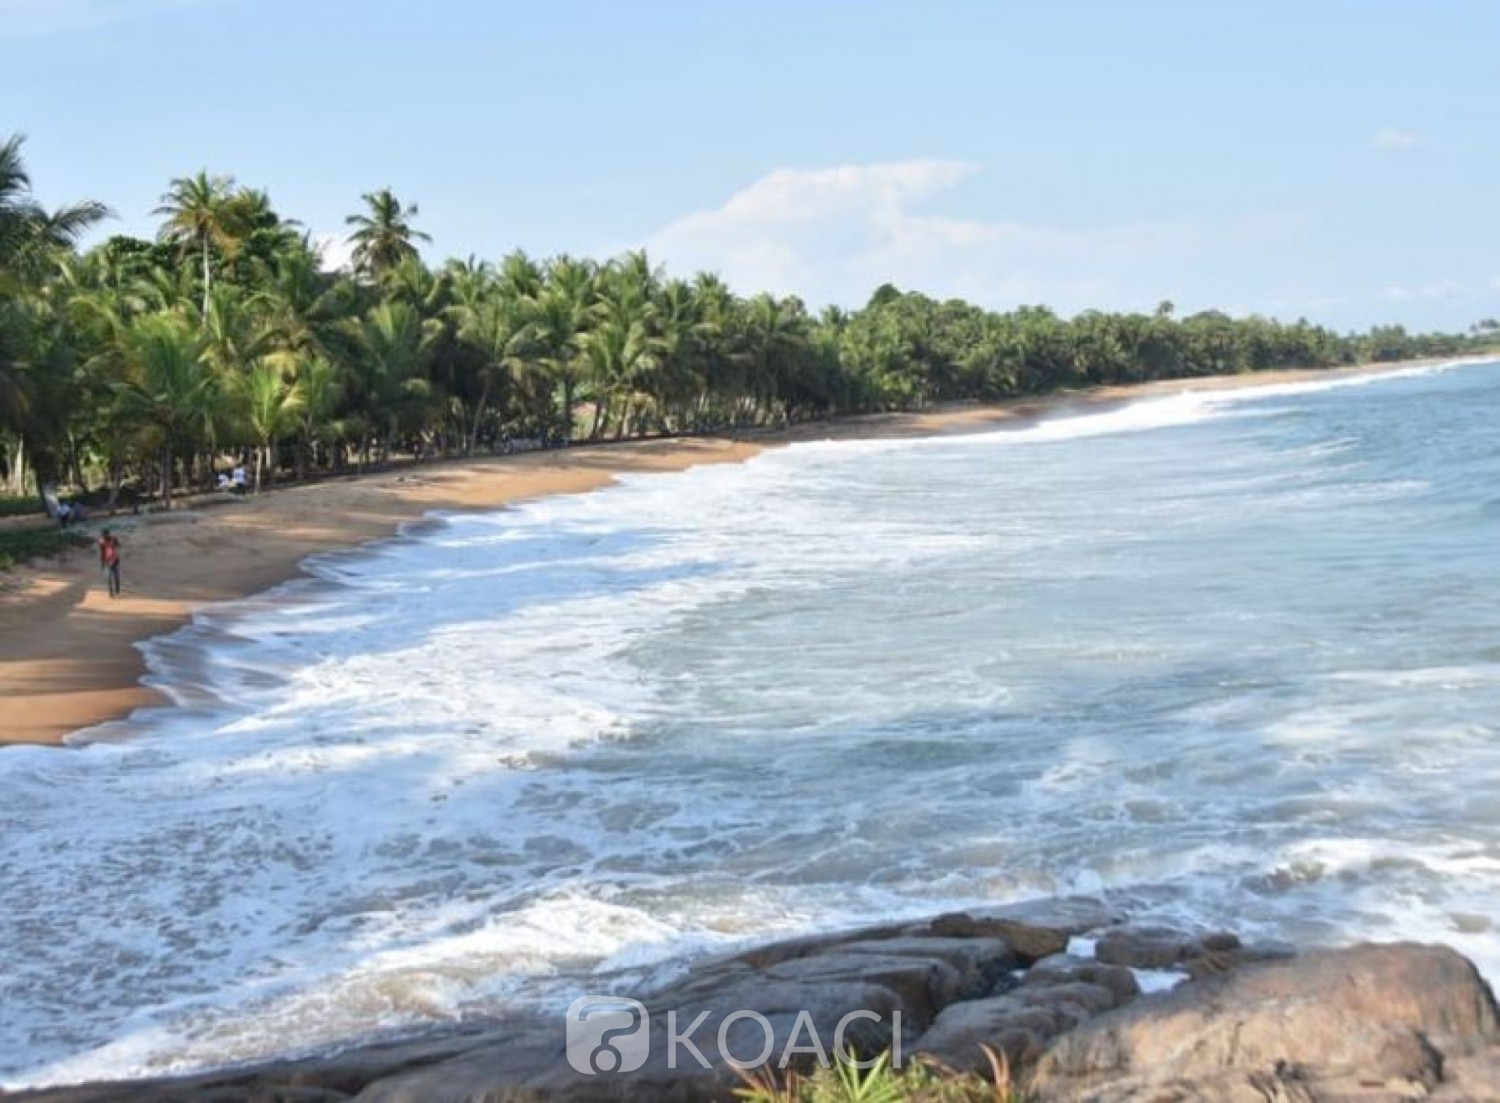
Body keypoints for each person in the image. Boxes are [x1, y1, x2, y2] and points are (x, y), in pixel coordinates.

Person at [99, 528, 121, 598]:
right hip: (108, 561)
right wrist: (102, 563)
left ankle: (117, 591)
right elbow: (102, 552)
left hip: (114, 560)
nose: (104, 536)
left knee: (115, 577)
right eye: (103, 535)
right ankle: (111, 592)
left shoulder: (113, 539)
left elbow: (118, 545)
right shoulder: (102, 541)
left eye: (105, 535)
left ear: (108, 534)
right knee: (110, 578)